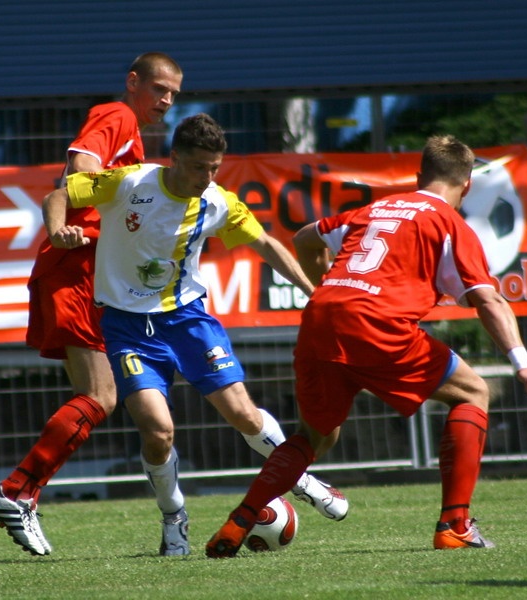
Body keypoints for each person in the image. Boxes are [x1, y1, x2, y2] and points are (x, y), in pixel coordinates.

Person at [205, 134, 527, 558]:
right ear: (467, 187)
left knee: (314, 435)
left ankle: (241, 519)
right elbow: (488, 299)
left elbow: (306, 238)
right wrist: (523, 364)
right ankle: (455, 525)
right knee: (473, 392)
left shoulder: (375, 208)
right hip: (377, 324)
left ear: (419, 176)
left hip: (322, 318)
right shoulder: (449, 223)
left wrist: (328, 288)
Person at [38, 113, 349, 556]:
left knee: (243, 413)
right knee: (158, 431)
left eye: (215, 168)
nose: (207, 177)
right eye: (200, 166)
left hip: (187, 320)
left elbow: (266, 245)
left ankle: (302, 481)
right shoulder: (129, 182)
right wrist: (57, 230)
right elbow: (58, 194)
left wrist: (311, 292)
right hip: (127, 326)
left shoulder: (219, 202)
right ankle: (174, 517)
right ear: (176, 157)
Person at [0, 52, 183, 555]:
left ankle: (21, 491)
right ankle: (15, 491)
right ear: (132, 81)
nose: (166, 100)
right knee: (102, 396)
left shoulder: (135, 144)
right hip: (76, 272)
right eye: (159, 88)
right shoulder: (116, 116)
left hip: (90, 275)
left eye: (174, 94)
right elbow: (79, 172)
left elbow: (59, 196)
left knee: (95, 398)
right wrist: (68, 227)